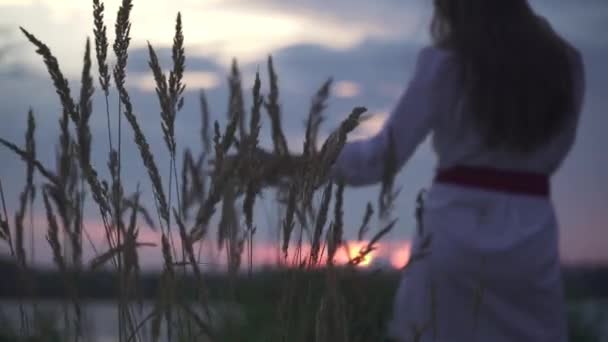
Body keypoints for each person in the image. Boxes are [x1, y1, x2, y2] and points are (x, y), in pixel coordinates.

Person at [330, 0, 585, 341]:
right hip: (530, 237)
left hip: (452, 235)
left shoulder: (445, 64)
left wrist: (297, 164)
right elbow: (557, 155)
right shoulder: (567, 65)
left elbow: (379, 159)